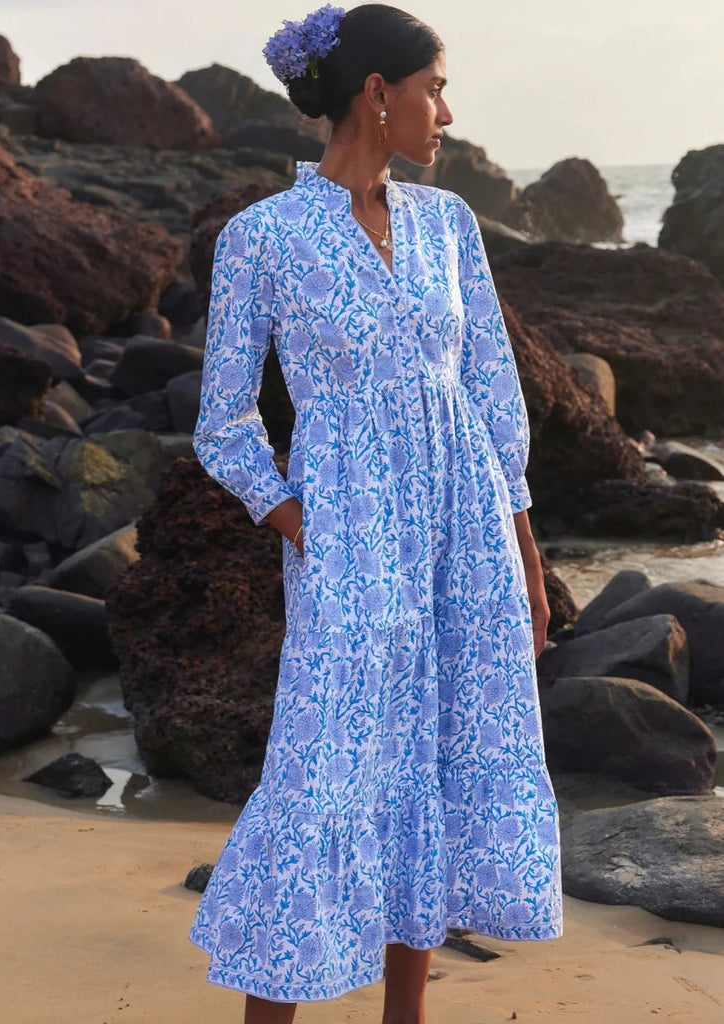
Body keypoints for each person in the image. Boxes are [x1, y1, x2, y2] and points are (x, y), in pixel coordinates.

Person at [187, 4, 564, 1022]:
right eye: (434, 88)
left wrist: (526, 555)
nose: (447, 110)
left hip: (468, 534)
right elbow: (223, 422)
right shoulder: (263, 238)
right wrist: (303, 525)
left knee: (435, 764)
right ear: (376, 94)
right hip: (351, 543)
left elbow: (493, 393)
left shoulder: (450, 225)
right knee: (319, 777)